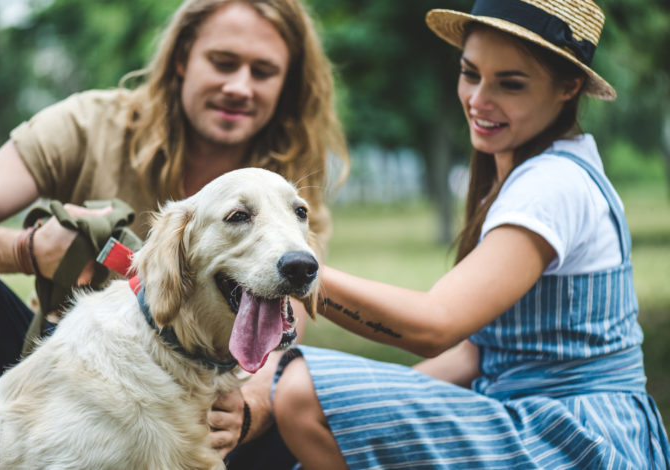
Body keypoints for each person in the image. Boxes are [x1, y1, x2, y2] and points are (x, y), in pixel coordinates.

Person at [269, 0, 670, 468]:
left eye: (510, 83)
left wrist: (294, 269)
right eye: (470, 73)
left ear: (569, 86)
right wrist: (368, 409)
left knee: (302, 393)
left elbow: (434, 325)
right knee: (328, 412)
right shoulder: (527, 176)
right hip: (534, 418)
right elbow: (478, 355)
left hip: (572, 436)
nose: (479, 99)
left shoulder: (553, 186)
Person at [0, 0, 347, 459]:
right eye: (222, 62)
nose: (240, 87)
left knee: (294, 406)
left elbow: (283, 319)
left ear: (286, 82)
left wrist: (253, 406)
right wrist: (26, 250)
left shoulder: (290, 169)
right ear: (182, 58)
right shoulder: (87, 124)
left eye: (263, 71)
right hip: (66, 365)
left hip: (216, 381)